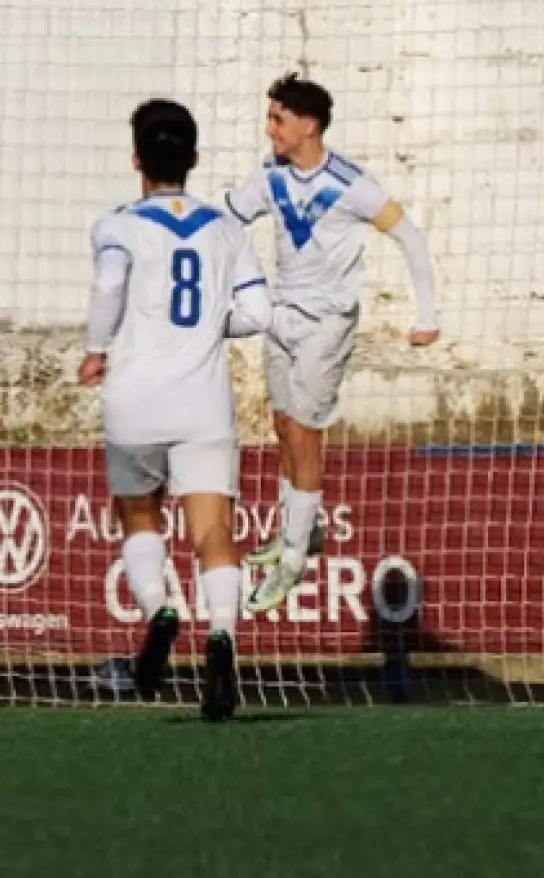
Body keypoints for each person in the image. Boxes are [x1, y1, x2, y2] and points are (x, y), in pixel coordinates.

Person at [80, 99, 272, 721]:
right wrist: (215, 328)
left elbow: (110, 286)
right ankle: (221, 637)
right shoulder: (225, 228)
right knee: (213, 531)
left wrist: (95, 349)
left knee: (139, 515)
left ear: (137, 158)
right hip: (204, 403)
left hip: (136, 399)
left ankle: (161, 609)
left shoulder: (118, 225)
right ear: (193, 159)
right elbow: (260, 314)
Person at [223, 74, 439, 612]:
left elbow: (409, 236)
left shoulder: (351, 183)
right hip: (281, 314)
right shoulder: (269, 174)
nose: (269, 127)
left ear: (308, 125)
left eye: (278, 118)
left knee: (305, 430)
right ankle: (304, 528)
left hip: (328, 321)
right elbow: (227, 218)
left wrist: (428, 315)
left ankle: (294, 557)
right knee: (281, 423)